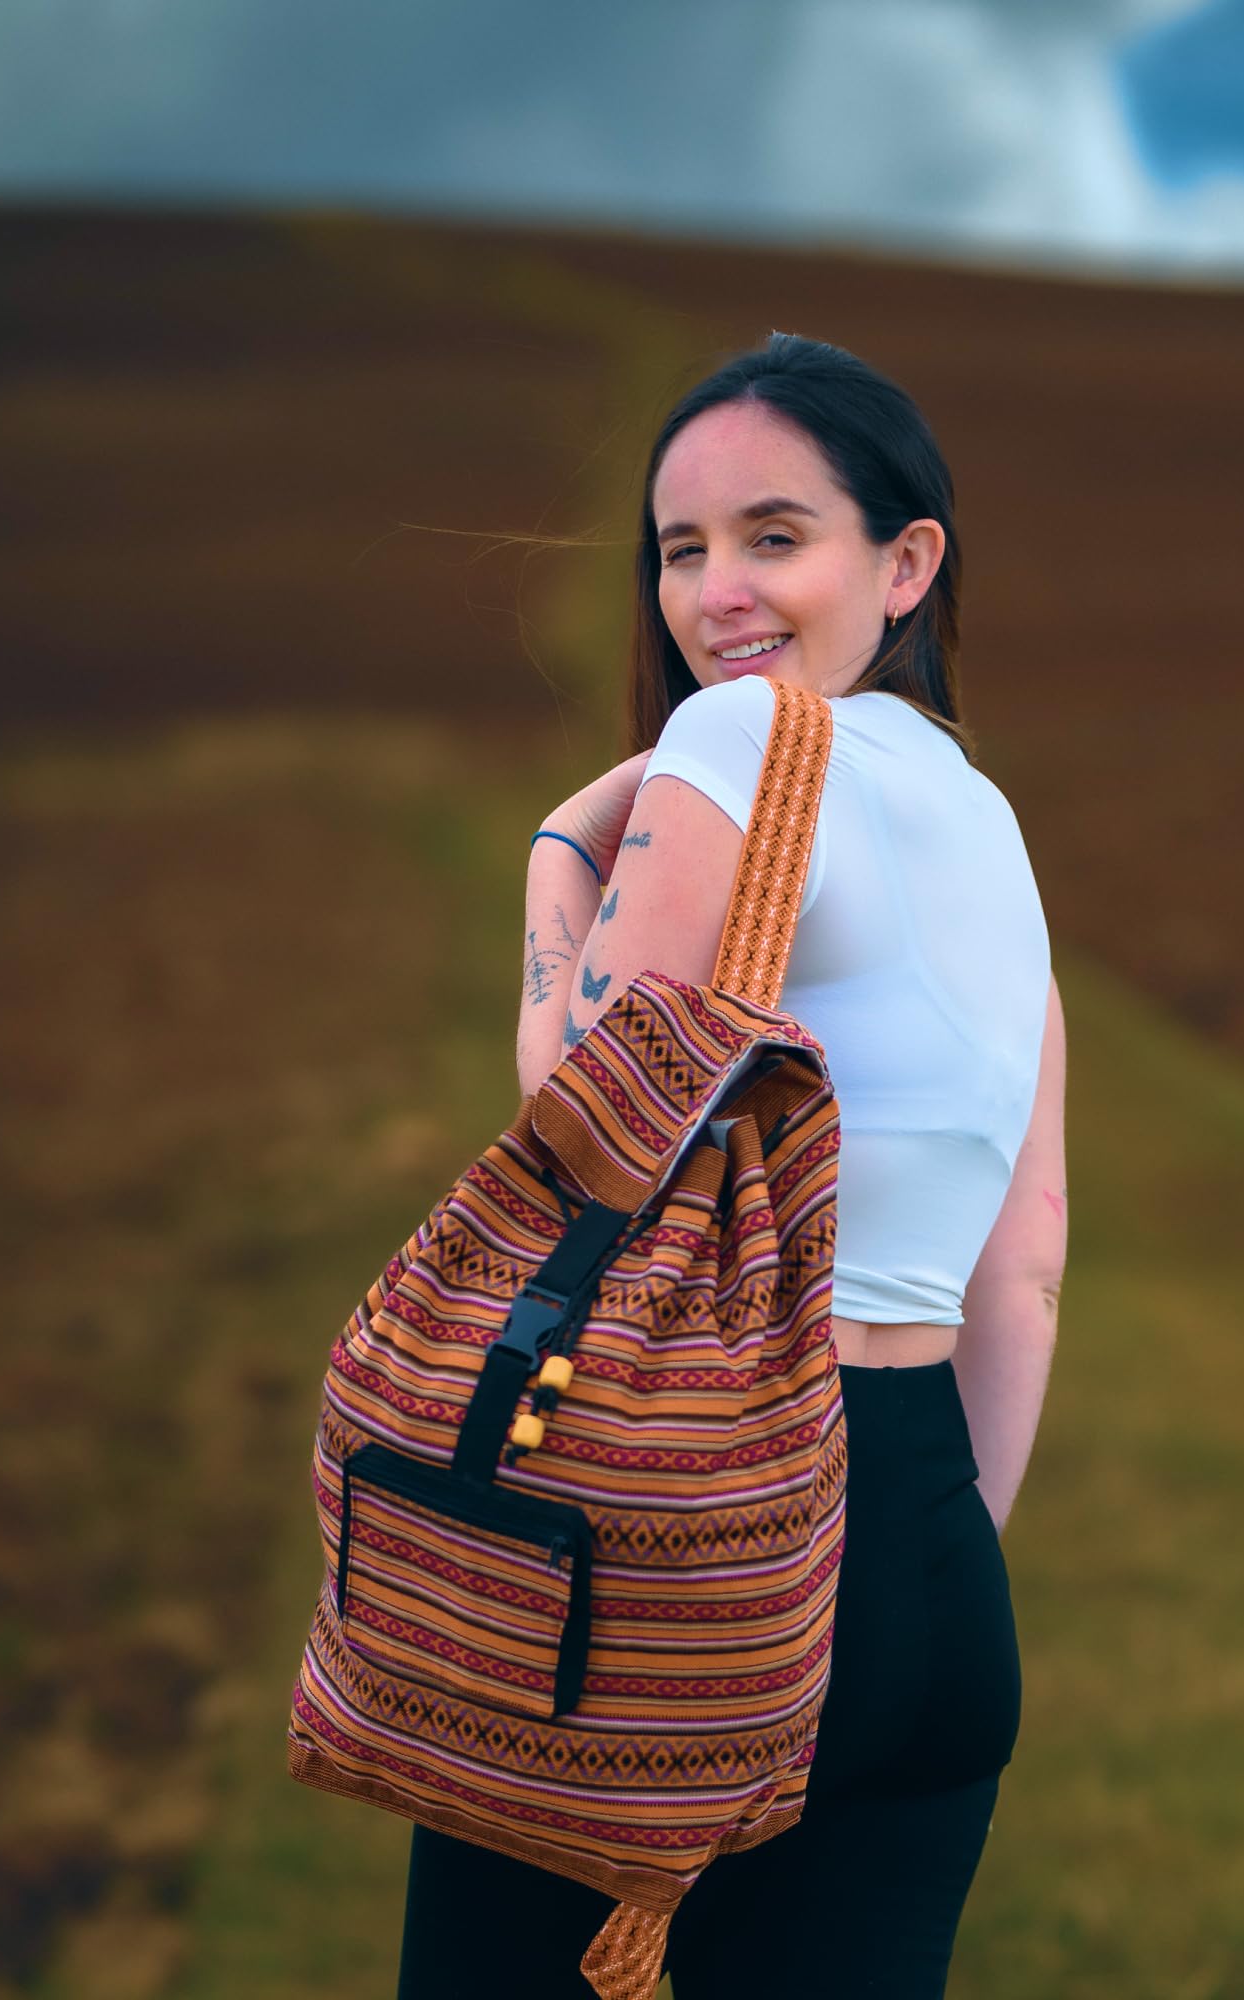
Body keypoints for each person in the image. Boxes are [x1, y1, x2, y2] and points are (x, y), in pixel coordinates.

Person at [396, 331, 1068, 1999]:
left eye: (775, 536)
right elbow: (1025, 1256)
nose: (717, 592)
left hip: (682, 1552)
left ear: (906, 562)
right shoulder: (991, 827)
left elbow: (585, 1105)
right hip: (925, 1567)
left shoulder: (740, 741)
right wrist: (912, 1566)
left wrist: (562, 856)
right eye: (681, 548)